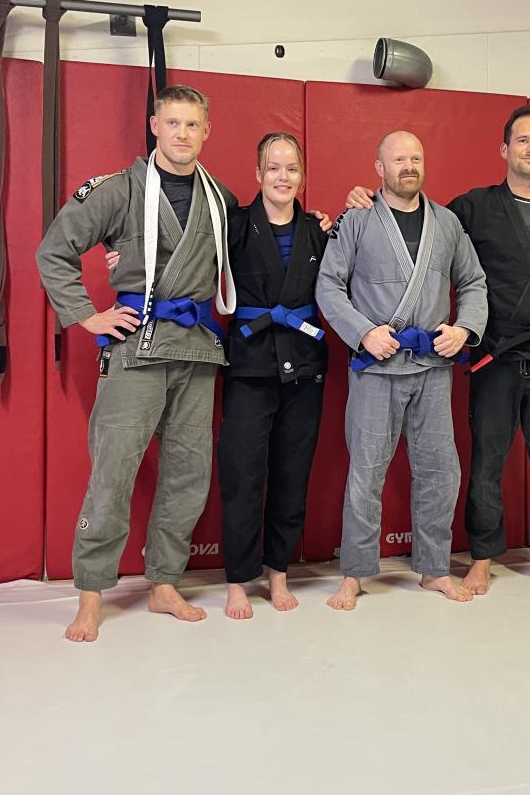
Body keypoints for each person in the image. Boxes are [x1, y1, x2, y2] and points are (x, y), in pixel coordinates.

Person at [346, 106, 530, 594]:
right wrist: (365, 200)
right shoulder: (472, 208)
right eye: (522, 140)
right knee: (486, 463)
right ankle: (482, 557)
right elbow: (419, 223)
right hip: (495, 353)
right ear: (504, 149)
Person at [37, 84, 237, 642]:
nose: (182, 134)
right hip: (136, 346)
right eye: (172, 123)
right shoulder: (118, 189)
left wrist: (327, 218)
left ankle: (165, 582)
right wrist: (87, 316)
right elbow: (54, 250)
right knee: (114, 471)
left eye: (192, 124)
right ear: (154, 126)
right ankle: (90, 592)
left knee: (189, 474)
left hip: (196, 350)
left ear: (206, 131)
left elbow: (262, 240)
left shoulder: (219, 197)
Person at [316, 131, 488, 611]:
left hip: (432, 367)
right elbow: (329, 285)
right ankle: (355, 572)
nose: (408, 166)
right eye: (398, 159)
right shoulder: (357, 219)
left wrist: (464, 329)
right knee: (366, 473)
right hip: (377, 367)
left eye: (415, 158)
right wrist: (363, 332)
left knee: (440, 471)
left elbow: (473, 282)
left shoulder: (447, 223)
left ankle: (434, 568)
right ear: (379, 167)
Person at [217, 133, 329, 620]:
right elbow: (187, 253)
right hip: (251, 362)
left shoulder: (318, 231)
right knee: (242, 474)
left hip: (304, 364)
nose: (284, 177)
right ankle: (238, 580)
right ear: (258, 174)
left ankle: (277, 571)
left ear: (302, 176)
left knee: (292, 471)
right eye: (274, 168)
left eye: (292, 168)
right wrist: (127, 258)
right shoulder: (235, 226)